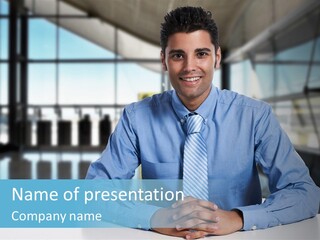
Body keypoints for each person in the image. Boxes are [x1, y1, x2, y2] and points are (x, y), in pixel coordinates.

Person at [86, 6, 320, 239]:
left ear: (217, 57)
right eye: (178, 55)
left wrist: (239, 218)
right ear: (164, 60)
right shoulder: (137, 119)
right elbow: (94, 193)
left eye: (201, 54)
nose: (189, 67)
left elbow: (305, 193)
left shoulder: (255, 116)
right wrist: (155, 218)